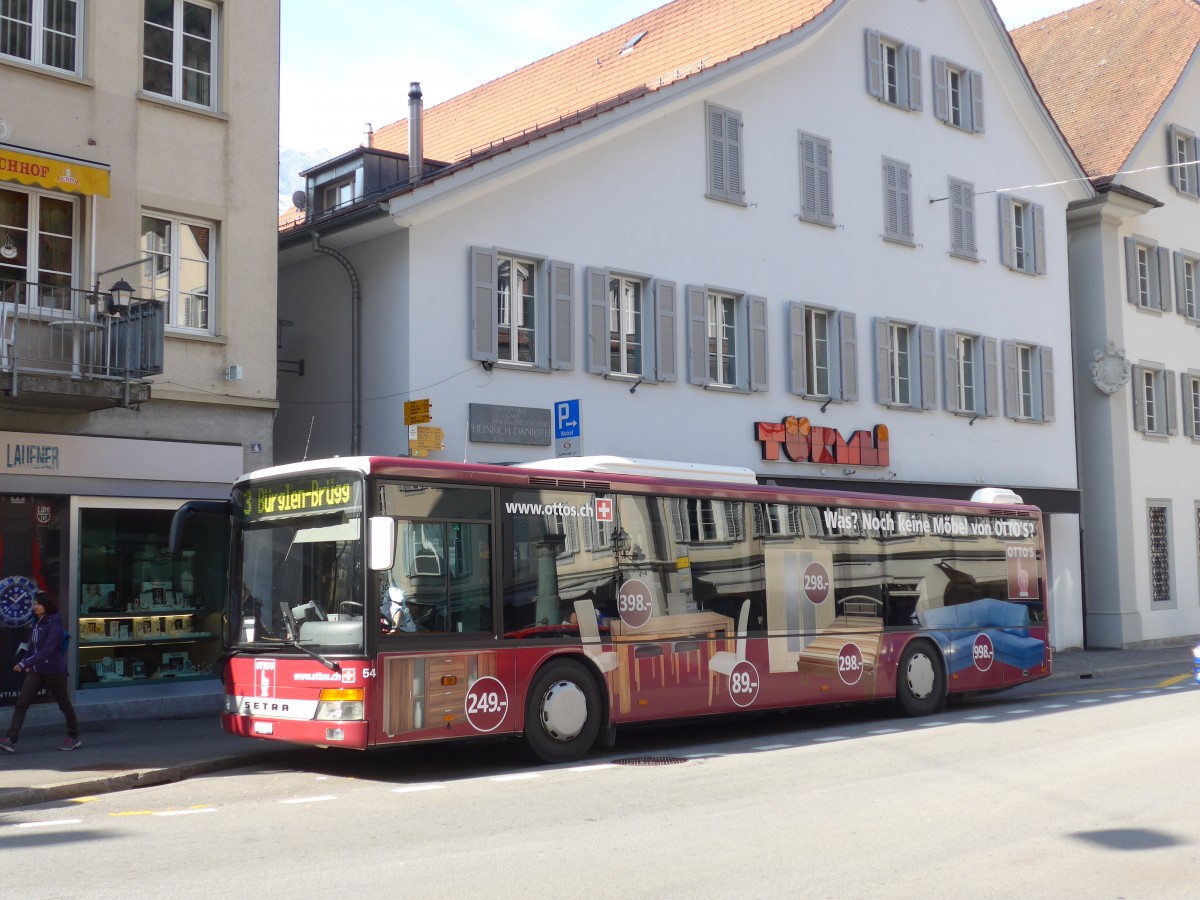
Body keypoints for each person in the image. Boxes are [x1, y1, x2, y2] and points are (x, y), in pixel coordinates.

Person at [0, 591, 81, 753]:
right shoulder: (37, 623)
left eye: (38, 604)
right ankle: (11, 739)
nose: (35, 606)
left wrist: (24, 663)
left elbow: (47, 651)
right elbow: (33, 648)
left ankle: (74, 737)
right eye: (34, 603)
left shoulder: (55, 624)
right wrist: (29, 663)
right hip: (37, 671)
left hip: (54, 671)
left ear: (47, 606)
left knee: (64, 704)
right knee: (22, 703)